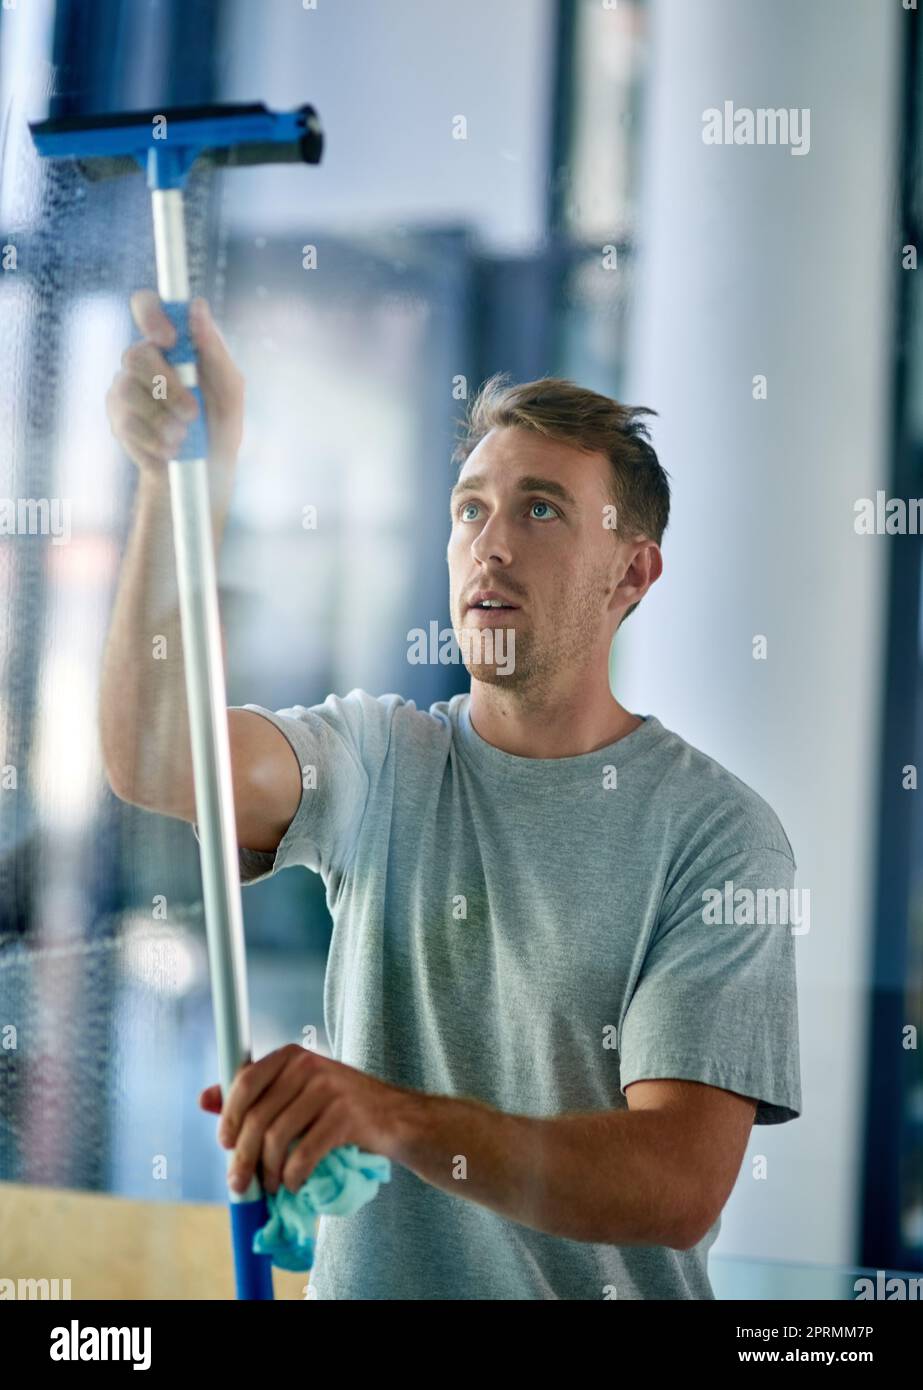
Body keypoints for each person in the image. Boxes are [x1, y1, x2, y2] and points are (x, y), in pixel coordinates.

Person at [101, 291, 801, 1300]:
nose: (491, 543)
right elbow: (158, 756)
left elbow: (675, 1180)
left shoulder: (719, 838)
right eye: (470, 507)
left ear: (630, 576)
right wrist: (176, 485)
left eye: (541, 509)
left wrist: (389, 1115)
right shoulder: (380, 759)